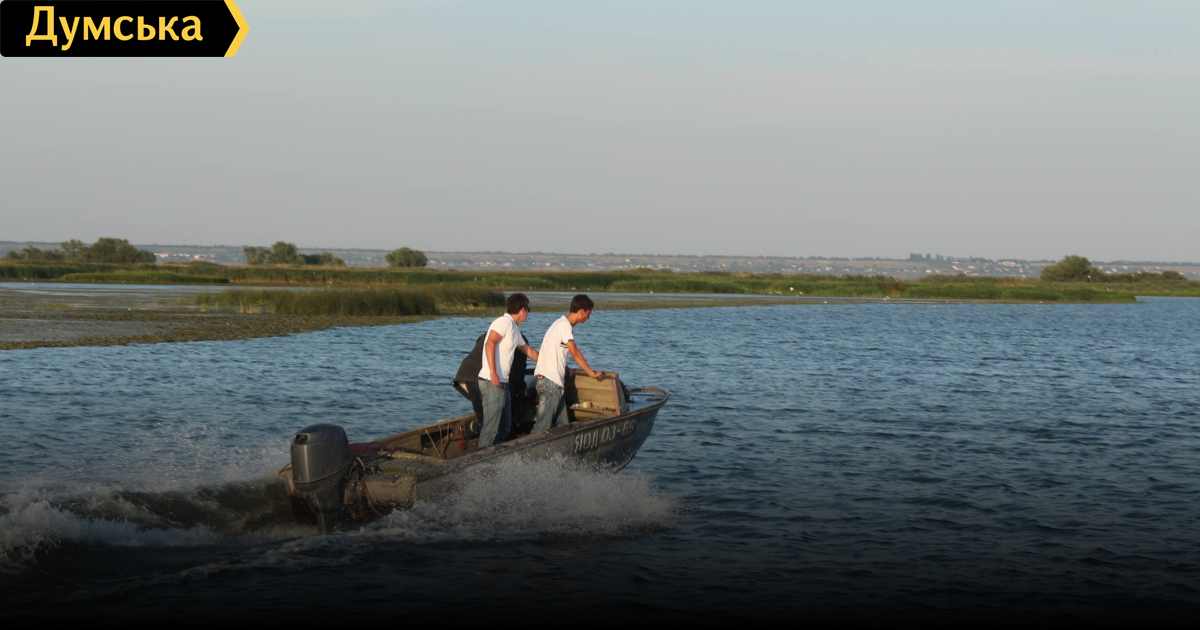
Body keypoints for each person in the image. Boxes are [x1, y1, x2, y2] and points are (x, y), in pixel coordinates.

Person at [532, 294, 601, 434]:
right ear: (581, 311)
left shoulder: (558, 324)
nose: (588, 318)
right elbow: (575, 352)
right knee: (541, 428)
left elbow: (551, 354)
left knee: (564, 427)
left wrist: (566, 368)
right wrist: (591, 373)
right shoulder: (565, 326)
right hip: (551, 384)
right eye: (588, 314)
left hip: (551, 382)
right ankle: (526, 448)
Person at [477, 293, 538, 448]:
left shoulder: (514, 329)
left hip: (503, 383)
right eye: (528, 310)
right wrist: (493, 372)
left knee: (505, 426)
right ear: (523, 310)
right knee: (490, 428)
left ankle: (492, 454)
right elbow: (489, 343)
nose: (528, 313)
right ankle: (480, 457)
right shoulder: (503, 322)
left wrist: (549, 363)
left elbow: (530, 352)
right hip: (492, 381)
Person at [452, 331, 532, 437]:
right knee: (495, 422)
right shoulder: (520, 341)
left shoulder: (490, 333)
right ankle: (494, 442)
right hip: (483, 378)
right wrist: (519, 395)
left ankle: (482, 436)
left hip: (464, 375)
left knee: (484, 419)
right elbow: (518, 375)